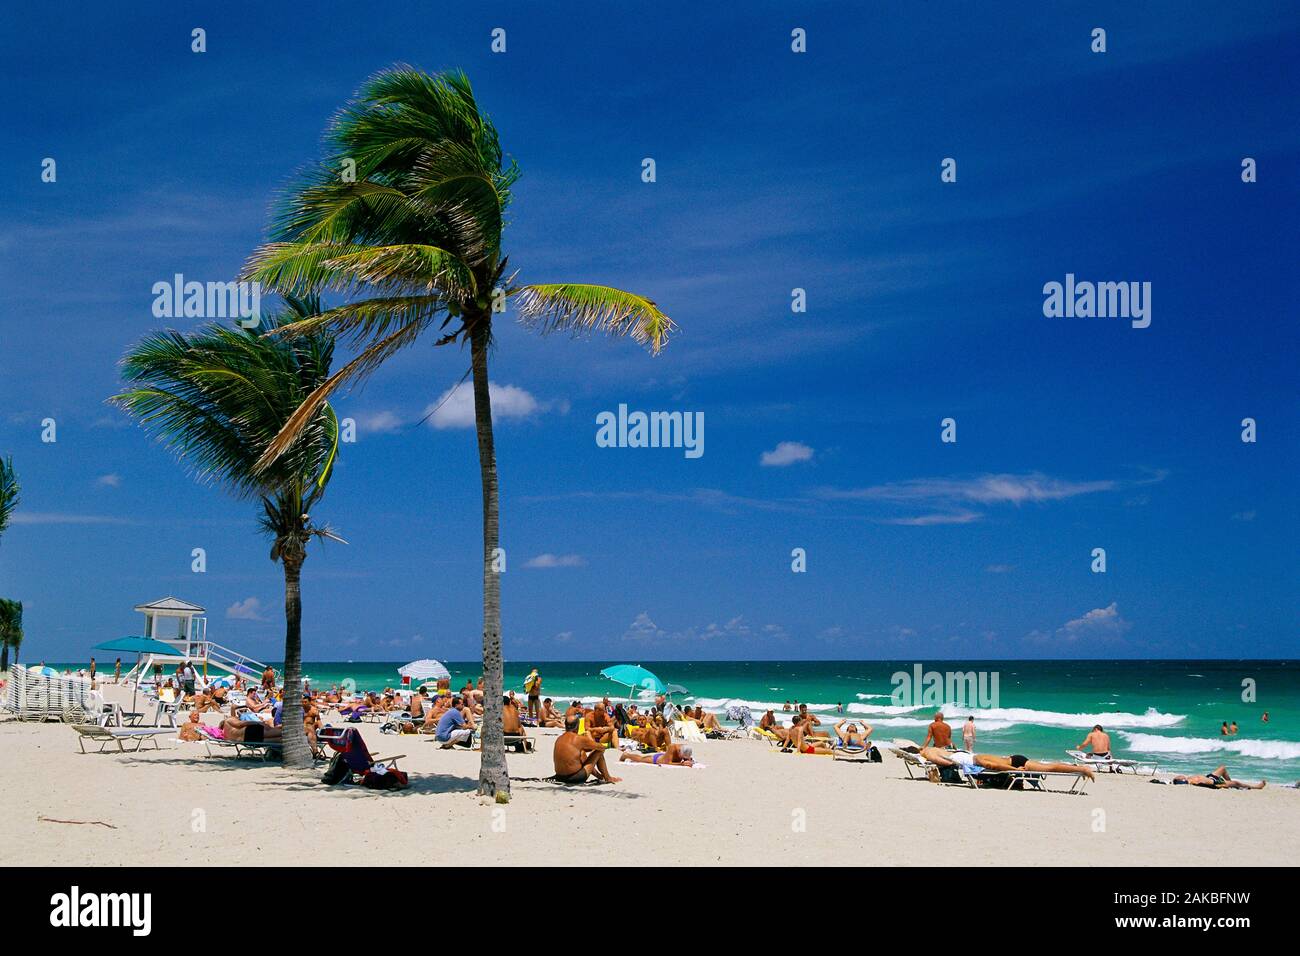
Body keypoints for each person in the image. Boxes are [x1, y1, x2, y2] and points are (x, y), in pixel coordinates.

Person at [921, 747, 1095, 782]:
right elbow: (943, 758)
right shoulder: (964, 754)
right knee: (1047, 766)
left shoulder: (978, 760)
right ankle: (1079, 768)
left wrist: (1014, 770)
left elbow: (995, 767)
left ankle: (1082, 769)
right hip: (1012, 758)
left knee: (1048, 767)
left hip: (1014, 762)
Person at [552, 716, 620, 784]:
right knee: (598, 751)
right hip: (574, 778)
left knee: (581, 752)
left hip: (559, 777)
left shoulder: (559, 738)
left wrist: (584, 749)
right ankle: (608, 778)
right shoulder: (578, 739)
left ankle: (600, 776)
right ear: (577, 726)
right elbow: (601, 747)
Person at [1171, 766, 1265, 789]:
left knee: (1223, 768)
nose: (1179, 775)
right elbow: (1177, 783)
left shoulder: (1187, 778)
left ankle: (1231, 784)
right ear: (1181, 780)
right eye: (1179, 776)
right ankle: (1257, 787)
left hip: (1209, 777)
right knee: (1236, 783)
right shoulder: (1186, 782)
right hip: (1214, 783)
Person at [620, 743, 694, 767]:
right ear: (679, 751)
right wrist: (681, 764)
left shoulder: (685, 749)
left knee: (642, 758)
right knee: (640, 759)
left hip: (665, 756)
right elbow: (667, 763)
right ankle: (626, 755)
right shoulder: (673, 747)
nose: (683, 758)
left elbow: (687, 757)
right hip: (658, 760)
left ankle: (627, 755)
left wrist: (689, 761)